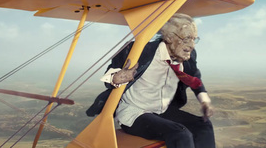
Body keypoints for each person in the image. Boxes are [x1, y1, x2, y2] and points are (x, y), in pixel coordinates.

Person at [86, 13, 215, 148]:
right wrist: (116, 77)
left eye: (195, 39)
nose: (192, 45)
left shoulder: (188, 54)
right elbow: (109, 77)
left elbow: (195, 77)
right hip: (135, 112)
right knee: (180, 133)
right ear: (170, 37)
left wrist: (204, 101)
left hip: (162, 112)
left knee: (204, 126)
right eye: (187, 38)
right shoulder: (138, 50)